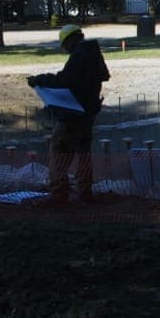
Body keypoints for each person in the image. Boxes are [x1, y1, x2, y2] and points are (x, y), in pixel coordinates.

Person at [27, 24, 110, 203]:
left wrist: (39, 79)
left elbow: (63, 80)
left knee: (59, 150)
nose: (65, 49)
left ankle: (58, 193)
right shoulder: (93, 53)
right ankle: (85, 191)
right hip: (89, 112)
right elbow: (103, 76)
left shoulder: (79, 55)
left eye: (65, 45)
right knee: (83, 152)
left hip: (74, 114)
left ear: (70, 40)